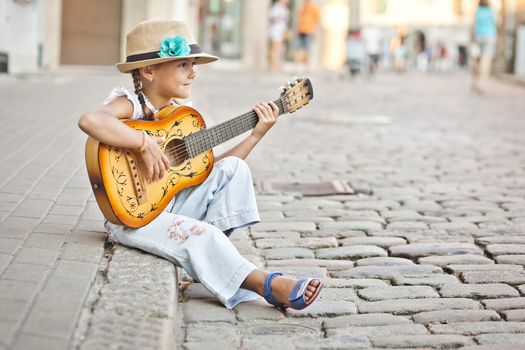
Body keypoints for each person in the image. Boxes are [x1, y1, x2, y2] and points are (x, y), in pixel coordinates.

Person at [77, 20, 323, 310]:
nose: (193, 73)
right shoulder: (133, 105)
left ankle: (210, 265)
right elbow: (90, 120)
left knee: (235, 169)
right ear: (149, 70)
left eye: (193, 64)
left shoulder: (180, 118)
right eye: (183, 65)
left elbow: (205, 172)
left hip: (168, 204)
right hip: (133, 216)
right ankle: (266, 284)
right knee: (201, 234)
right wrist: (143, 144)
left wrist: (256, 134)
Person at [471, 0, 497, 94]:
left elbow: (473, 26)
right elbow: (495, 24)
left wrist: (472, 38)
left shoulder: (477, 11)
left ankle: (476, 82)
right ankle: (483, 84)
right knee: (486, 61)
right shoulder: (491, 11)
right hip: (490, 37)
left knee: (477, 60)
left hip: (478, 37)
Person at [294, 0, 320, 72]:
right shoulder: (302, 7)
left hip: (309, 31)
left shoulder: (314, 8)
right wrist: (296, 29)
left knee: (307, 50)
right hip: (300, 30)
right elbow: (298, 19)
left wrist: (315, 32)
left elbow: (317, 20)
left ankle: (306, 67)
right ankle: (297, 67)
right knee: (298, 50)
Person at [268, 0, 290, 72]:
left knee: (281, 50)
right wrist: (280, 16)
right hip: (276, 31)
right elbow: (271, 16)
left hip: (282, 32)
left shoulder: (285, 8)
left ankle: (278, 65)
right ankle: (272, 66)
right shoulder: (276, 7)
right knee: (275, 49)